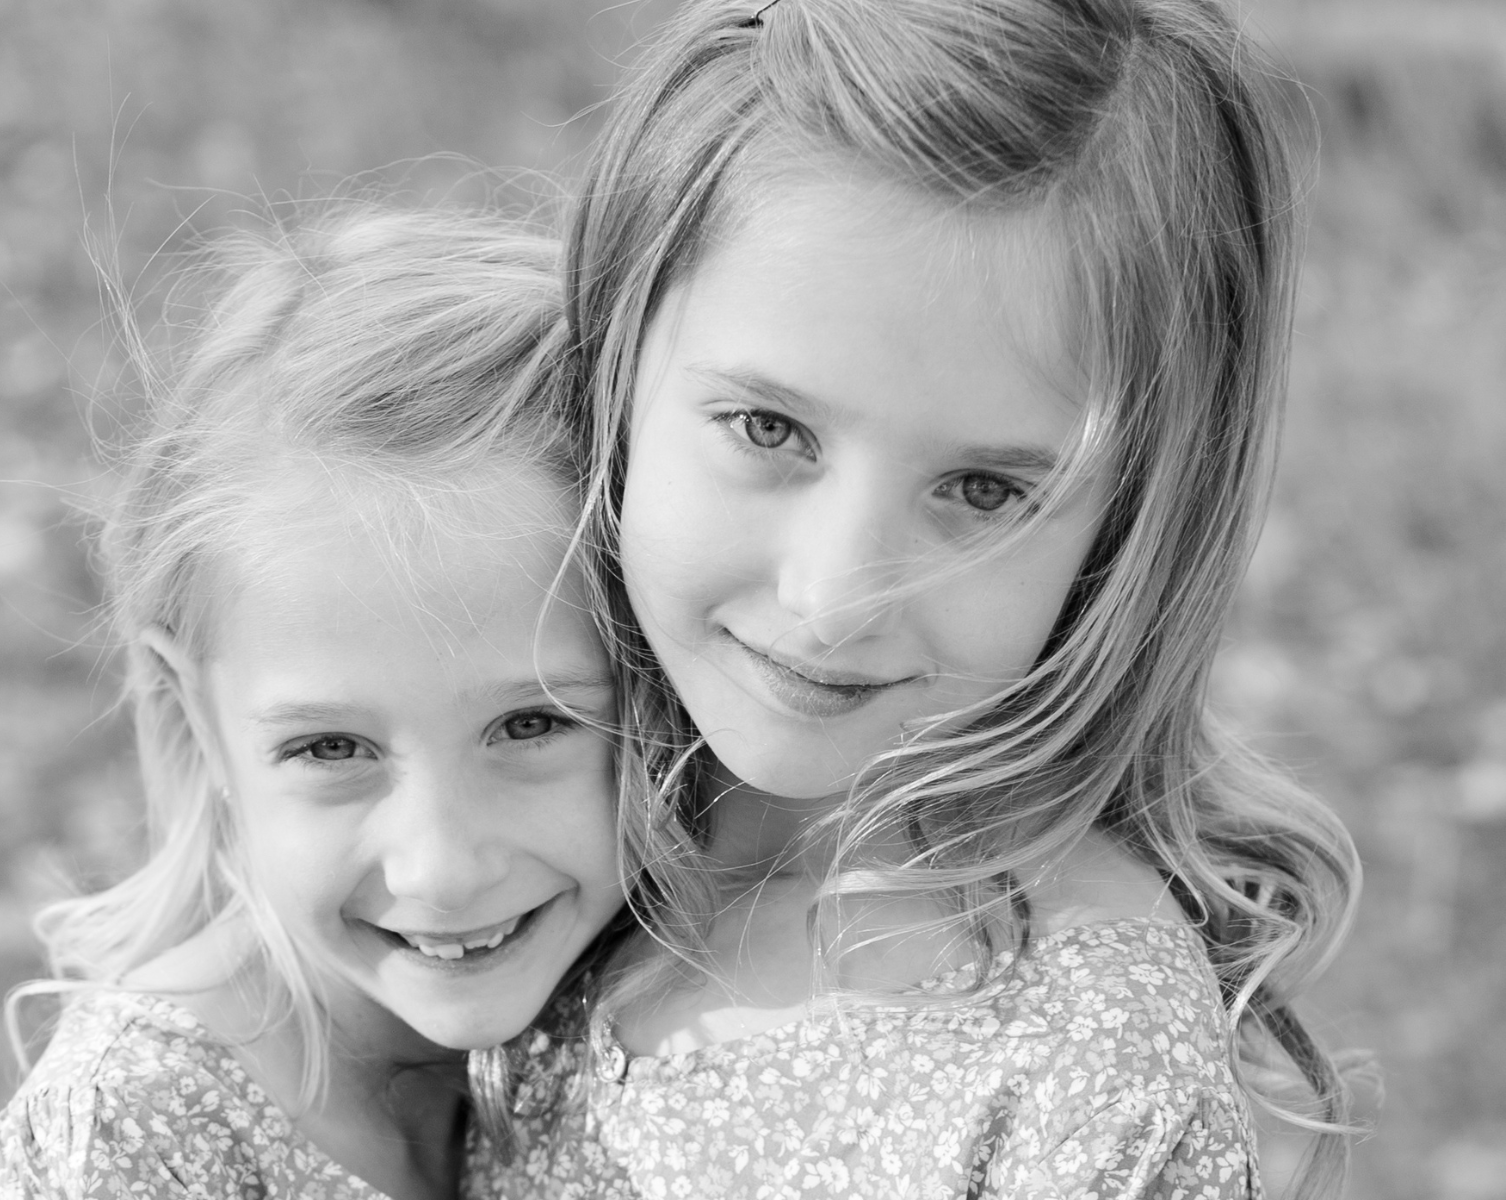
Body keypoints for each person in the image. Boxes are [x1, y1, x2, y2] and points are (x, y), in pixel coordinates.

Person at [469, 0, 1361, 1196]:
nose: (833, 597)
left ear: (1137, 520)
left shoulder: (1079, 1061)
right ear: (616, 360)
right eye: (768, 428)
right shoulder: (506, 796)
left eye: (983, 492)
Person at [0, 209, 627, 1200]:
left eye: (530, 725)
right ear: (197, 718)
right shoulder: (136, 1137)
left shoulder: (675, 1015)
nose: (439, 868)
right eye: (330, 748)